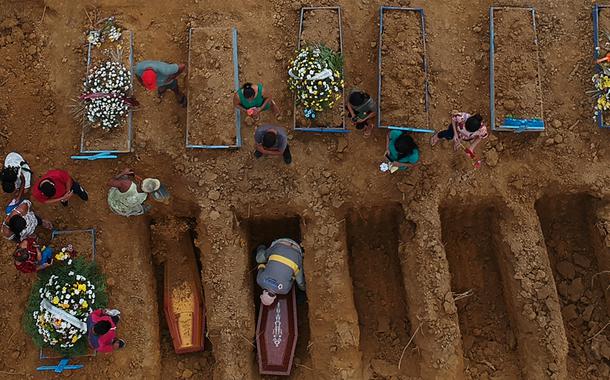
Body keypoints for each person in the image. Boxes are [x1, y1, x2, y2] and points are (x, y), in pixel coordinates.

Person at [256, 238, 306, 306]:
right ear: (263, 292)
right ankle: (260, 246)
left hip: (297, 250)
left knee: (301, 284)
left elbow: (292, 278)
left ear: (274, 297)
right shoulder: (260, 281)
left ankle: (304, 291)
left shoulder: (284, 290)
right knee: (259, 259)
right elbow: (261, 265)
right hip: (280, 243)